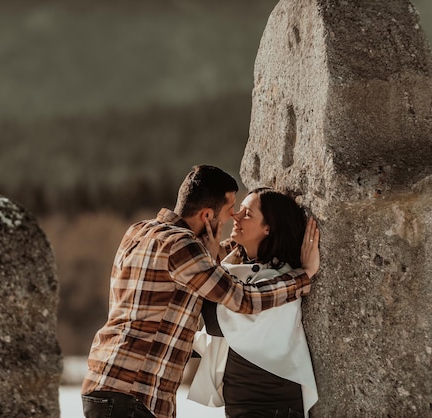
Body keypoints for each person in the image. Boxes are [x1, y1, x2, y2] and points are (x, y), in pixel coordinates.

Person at [81, 165, 320, 418]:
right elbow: (241, 298)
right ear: (207, 216)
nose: (233, 217)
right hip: (135, 391)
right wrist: (303, 276)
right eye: (230, 211)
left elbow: (216, 264)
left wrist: (242, 248)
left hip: (105, 382)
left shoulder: (139, 231)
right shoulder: (182, 246)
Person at [188, 187, 319, 418]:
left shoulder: (281, 279)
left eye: (247, 214)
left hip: (272, 406)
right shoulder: (240, 271)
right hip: (242, 403)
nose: (236, 217)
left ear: (268, 228)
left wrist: (306, 272)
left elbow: (218, 319)